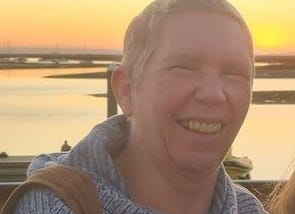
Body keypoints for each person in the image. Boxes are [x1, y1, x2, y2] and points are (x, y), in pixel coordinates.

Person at [12, 0, 267, 213]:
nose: (213, 94)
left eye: (234, 73)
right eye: (184, 68)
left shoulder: (249, 209)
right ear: (126, 90)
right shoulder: (53, 206)